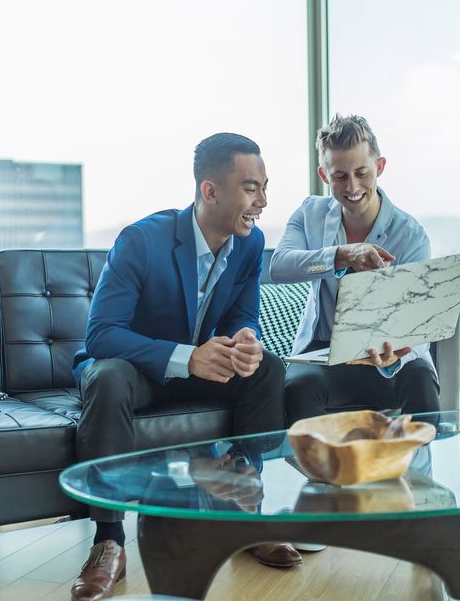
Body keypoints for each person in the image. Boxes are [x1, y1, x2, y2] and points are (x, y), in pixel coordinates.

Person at [70, 133, 298, 601]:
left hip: (200, 371)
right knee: (107, 376)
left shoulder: (251, 244)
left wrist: (246, 338)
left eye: (265, 186)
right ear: (210, 191)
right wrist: (185, 356)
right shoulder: (141, 240)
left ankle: (244, 510)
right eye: (251, 187)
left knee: (268, 369)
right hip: (137, 372)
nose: (263, 201)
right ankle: (108, 542)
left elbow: (242, 313)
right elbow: (101, 335)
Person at [269, 114, 441, 426]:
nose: (352, 187)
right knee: (299, 386)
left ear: (380, 167)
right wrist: (342, 255)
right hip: (323, 354)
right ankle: (315, 475)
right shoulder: (310, 214)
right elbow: (279, 267)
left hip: (388, 356)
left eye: (362, 172)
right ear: (324, 175)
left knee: (420, 378)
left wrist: (399, 351)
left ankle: (421, 474)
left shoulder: (411, 234)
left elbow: (419, 323)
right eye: (340, 176)